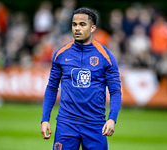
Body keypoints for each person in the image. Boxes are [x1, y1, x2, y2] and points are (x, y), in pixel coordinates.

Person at [41, 7, 122, 150]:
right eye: (74, 24)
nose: (77, 28)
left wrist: (112, 119)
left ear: (92, 28)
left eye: (82, 24)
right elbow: (52, 87)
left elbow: (115, 91)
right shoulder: (60, 54)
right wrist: (45, 119)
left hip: (95, 124)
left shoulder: (106, 57)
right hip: (66, 123)